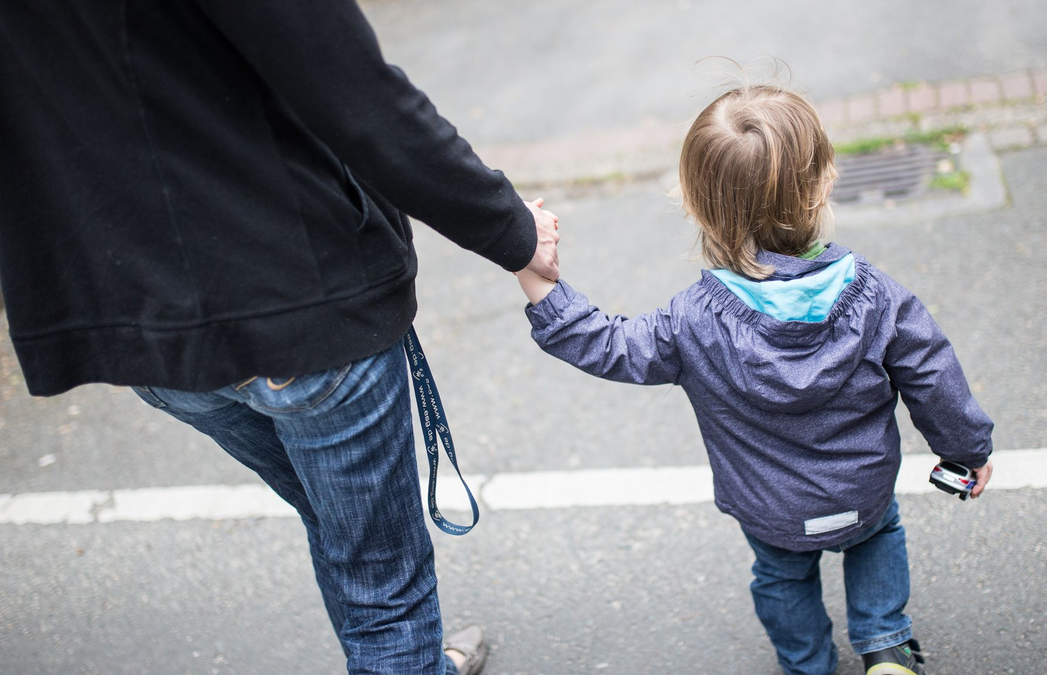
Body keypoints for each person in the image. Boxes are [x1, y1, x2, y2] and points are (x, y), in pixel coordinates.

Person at [0, 1, 559, 673]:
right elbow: (359, 95)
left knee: (340, 528)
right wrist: (510, 228)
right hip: (297, 298)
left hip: (142, 324)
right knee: (382, 588)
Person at [515, 84, 995, 675]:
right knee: (876, 538)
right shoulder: (879, 298)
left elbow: (606, 344)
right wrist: (967, 451)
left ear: (697, 206)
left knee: (781, 578)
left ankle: (807, 665)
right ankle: (884, 643)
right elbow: (934, 378)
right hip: (862, 493)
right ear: (823, 185)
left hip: (770, 509)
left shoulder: (689, 322)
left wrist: (532, 267)